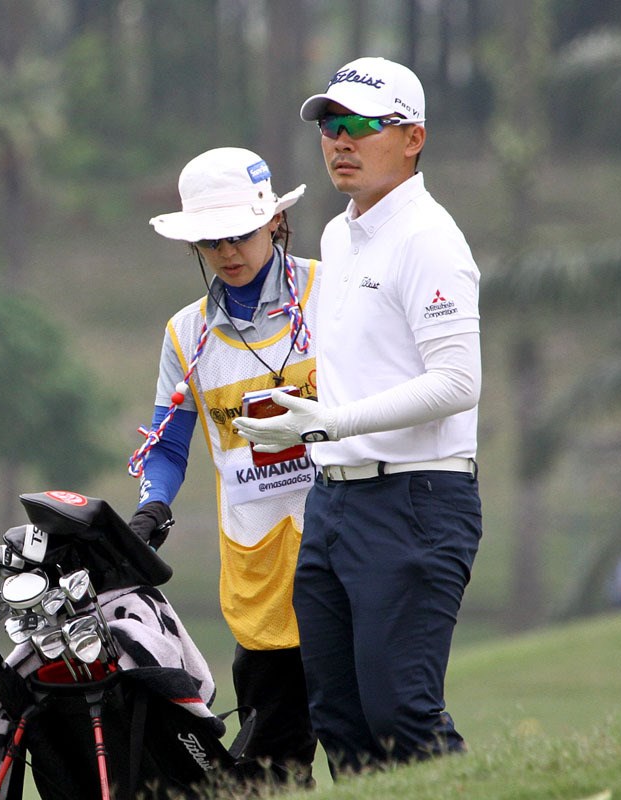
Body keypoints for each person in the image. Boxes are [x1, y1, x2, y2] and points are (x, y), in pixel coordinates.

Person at [233, 57, 483, 775]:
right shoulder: (341, 237)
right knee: (339, 716)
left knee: (401, 710)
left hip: (417, 497)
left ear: (413, 138)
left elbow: (458, 382)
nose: (340, 141)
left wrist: (325, 423)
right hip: (337, 501)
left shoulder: (429, 240)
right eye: (330, 126)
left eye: (362, 127)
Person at [127, 146, 319, 788]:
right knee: (272, 759)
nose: (228, 252)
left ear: (274, 223)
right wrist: (153, 502)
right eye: (211, 242)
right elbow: (169, 442)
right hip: (258, 566)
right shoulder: (186, 334)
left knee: (359, 728)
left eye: (239, 235)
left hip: (343, 545)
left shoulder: (330, 293)